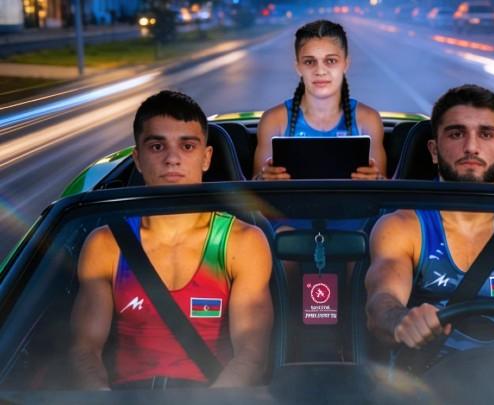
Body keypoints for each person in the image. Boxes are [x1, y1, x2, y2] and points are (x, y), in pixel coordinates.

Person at [70, 91, 273, 389]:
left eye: (187, 146)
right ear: (138, 159)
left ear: (206, 158)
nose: (172, 159)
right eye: (157, 146)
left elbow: (251, 355)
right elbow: (84, 350)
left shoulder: (242, 242)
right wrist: (102, 397)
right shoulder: (105, 244)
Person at [365, 85, 494, 359]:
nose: (471, 147)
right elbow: (381, 304)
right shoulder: (402, 226)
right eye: (456, 133)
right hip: (426, 379)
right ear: (434, 150)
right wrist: (401, 321)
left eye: (486, 134)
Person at [254, 19, 386, 180]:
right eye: (309, 62)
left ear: (346, 64)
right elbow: (255, 190)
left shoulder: (368, 120)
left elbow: (383, 192)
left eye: (331, 61)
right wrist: (263, 178)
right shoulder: (274, 120)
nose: (320, 71)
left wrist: (377, 179)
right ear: (298, 67)